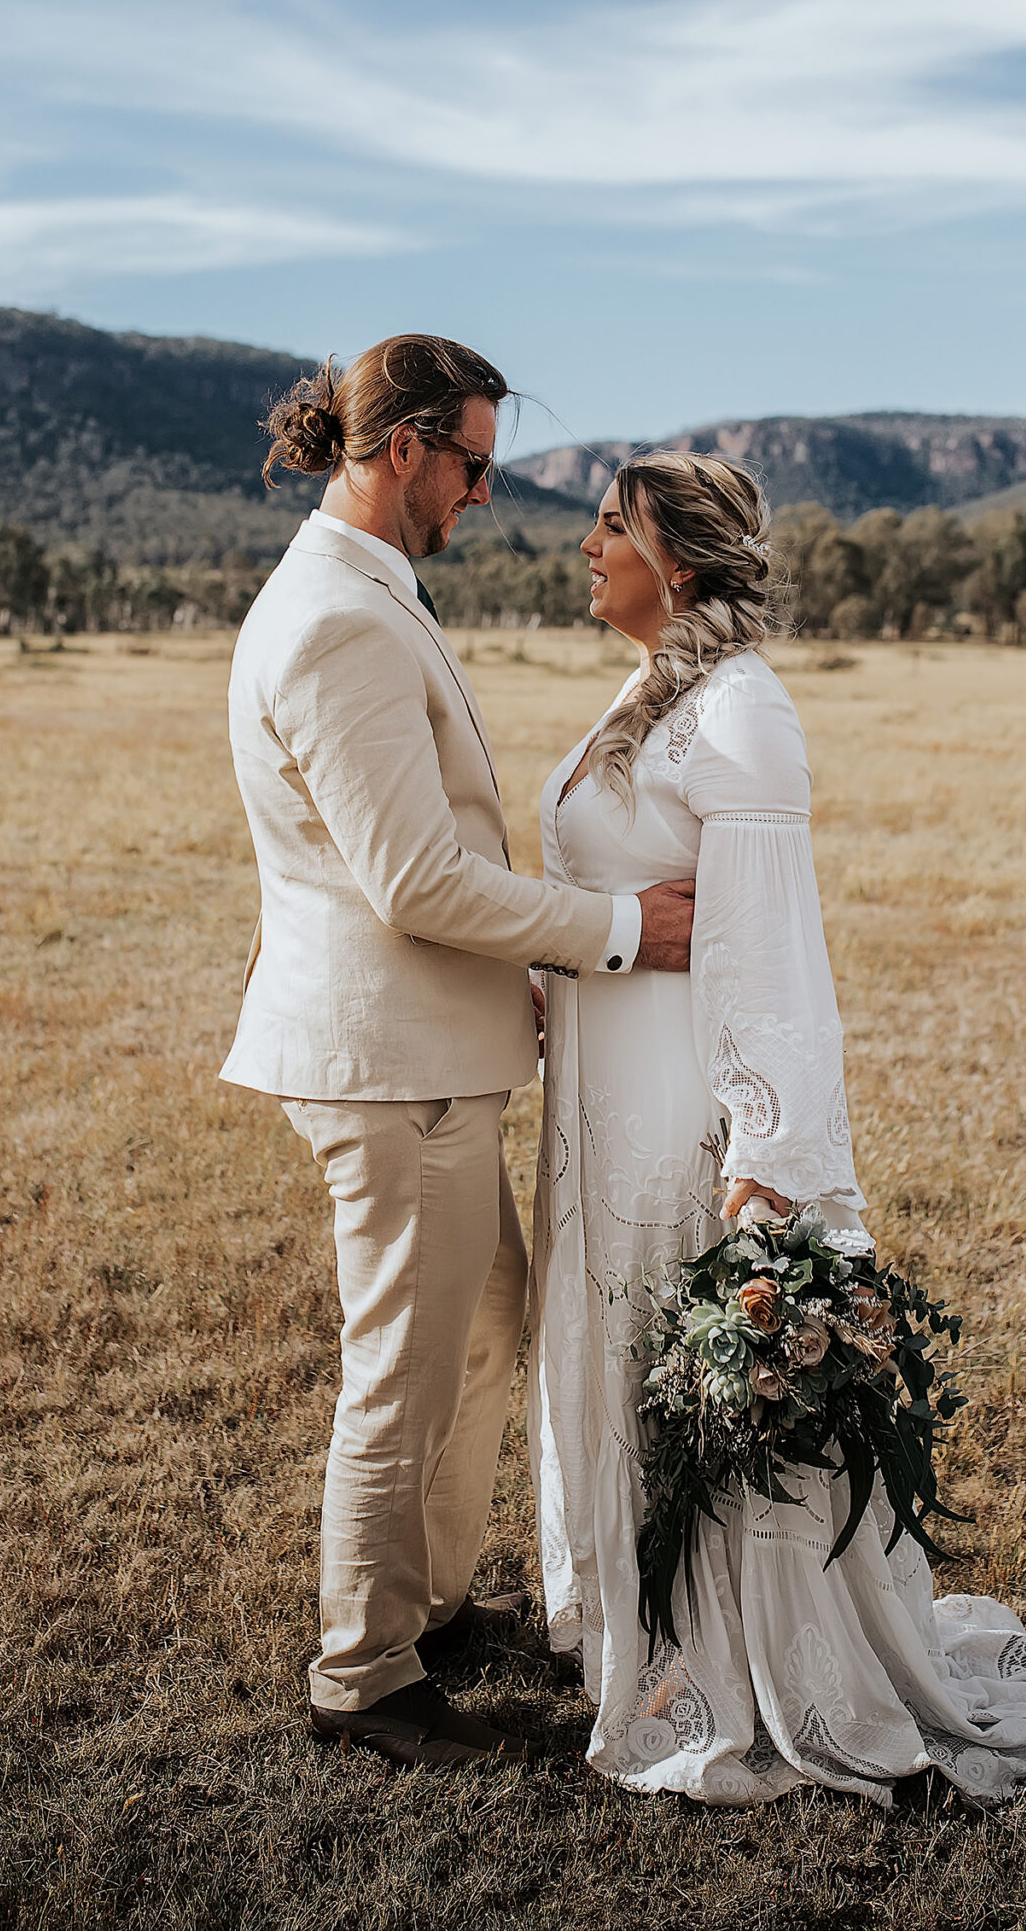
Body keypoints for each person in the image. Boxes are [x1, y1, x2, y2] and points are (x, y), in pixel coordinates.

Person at [529, 452, 1026, 1805]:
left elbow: (773, 969)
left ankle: (747, 1660)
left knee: (698, 1388)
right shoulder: (647, 691)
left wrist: (763, 1163)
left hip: (685, 1119)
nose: (588, 543)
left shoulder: (743, 712)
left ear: (676, 562)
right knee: (629, 1369)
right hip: (599, 1110)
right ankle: (666, 1631)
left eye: (611, 526)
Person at [219, 335, 698, 1774]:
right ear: (406, 448)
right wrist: (613, 931)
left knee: (482, 1326)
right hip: (391, 1067)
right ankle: (361, 1677)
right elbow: (414, 879)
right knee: (405, 1366)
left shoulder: (366, 598)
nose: (486, 495)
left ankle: (423, 1609)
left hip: (428, 1044)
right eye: (476, 464)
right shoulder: (337, 621)